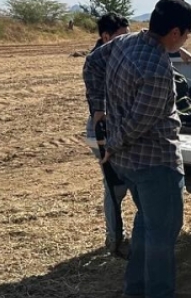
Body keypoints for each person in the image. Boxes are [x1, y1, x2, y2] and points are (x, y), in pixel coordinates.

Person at [82, 0, 191, 298]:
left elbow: (91, 64)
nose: (186, 40)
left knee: (146, 222)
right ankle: (159, 297)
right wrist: (113, 144)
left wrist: (98, 108)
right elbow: (139, 122)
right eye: (187, 35)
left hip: (129, 164)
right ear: (175, 32)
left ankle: (135, 287)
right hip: (155, 161)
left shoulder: (124, 42)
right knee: (163, 230)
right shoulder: (157, 71)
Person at [86, 13, 133, 260]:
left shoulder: (118, 54)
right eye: (122, 36)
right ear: (106, 37)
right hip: (103, 129)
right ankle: (115, 242)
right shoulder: (99, 61)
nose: (127, 41)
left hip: (113, 127)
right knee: (115, 188)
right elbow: (99, 106)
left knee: (121, 185)